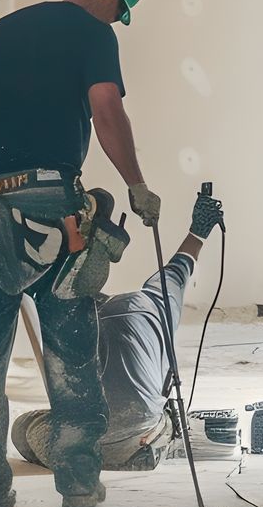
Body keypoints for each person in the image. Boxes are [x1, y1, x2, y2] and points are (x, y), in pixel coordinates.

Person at [0, 0, 161, 507]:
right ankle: (77, 482)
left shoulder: (4, 28)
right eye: (121, 10)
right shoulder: (95, 35)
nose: (118, 21)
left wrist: (7, 124)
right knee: (69, 345)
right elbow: (107, 110)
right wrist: (136, 183)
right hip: (52, 209)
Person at [11, 190, 226, 473]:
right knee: (161, 412)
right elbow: (181, 263)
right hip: (140, 433)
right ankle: (148, 444)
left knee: (22, 428)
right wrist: (199, 230)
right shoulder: (157, 301)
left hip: (80, 440)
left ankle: (92, 456)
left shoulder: (83, 316)